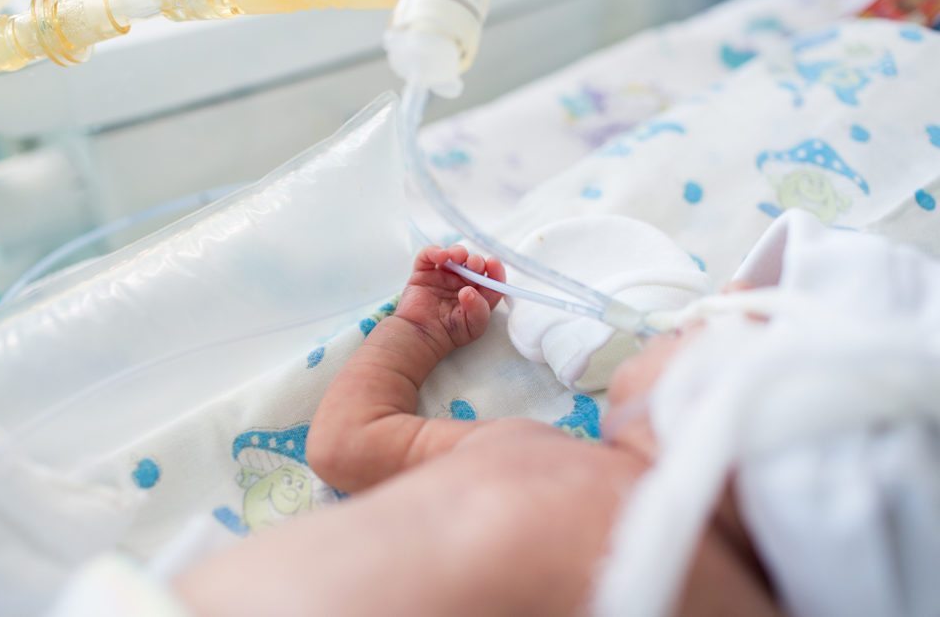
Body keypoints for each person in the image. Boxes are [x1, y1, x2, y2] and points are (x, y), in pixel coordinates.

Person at [173, 244, 780, 617]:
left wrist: (415, 334)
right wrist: (419, 335)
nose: (715, 299)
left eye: (707, 328)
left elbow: (345, 444)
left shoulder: (553, 467)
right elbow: (347, 447)